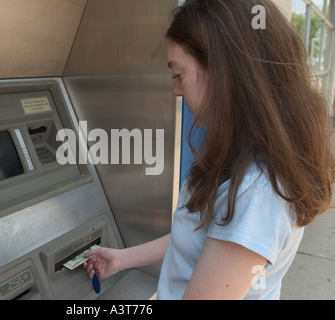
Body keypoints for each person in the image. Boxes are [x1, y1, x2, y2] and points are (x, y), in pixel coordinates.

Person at [83, 0, 335, 300]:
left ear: (224, 73)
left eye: (179, 75)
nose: (176, 90)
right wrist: (123, 259)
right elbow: (202, 238)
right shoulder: (242, 156)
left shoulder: (257, 192)